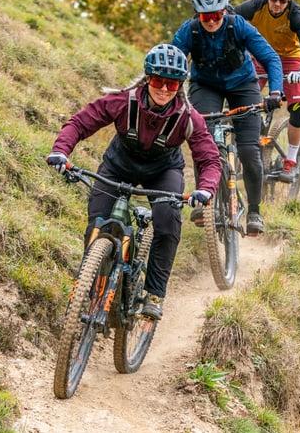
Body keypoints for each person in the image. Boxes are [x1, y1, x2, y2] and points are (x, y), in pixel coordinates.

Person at [46, 44, 221, 320]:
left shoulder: (188, 117)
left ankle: (154, 293)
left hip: (163, 173)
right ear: (147, 78)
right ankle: (88, 283)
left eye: (172, 83)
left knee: (166, 220)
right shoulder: (121, 102)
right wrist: (60, 151)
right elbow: (80, 123)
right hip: (118, 167)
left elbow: (209, 159)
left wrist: (205, 189)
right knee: (98, 219)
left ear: (180, 86)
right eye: (158, 80)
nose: (164, 89)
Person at [172, 0, 284, 235]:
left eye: (216, 15)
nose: (211, 21)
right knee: (204, 144)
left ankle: (254, 211)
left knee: (249, 151)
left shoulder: (238, 26)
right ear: (197, 15)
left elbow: (270, 58)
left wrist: (275, 92)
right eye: (205, 16)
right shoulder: (189, 31)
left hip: (242, 85)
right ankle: (205, 199)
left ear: (225, 12)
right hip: (205, 86)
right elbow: (174, 60)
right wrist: (169, 94)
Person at [234, 0, 300, 182]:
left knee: (299, 105)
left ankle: (290, 161)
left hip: (290, 60)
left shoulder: (297, 15)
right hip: (261, 55)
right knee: (243, 97)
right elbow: (229, 18)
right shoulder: (255, 5)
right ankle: (240, 147)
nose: (278, 3)